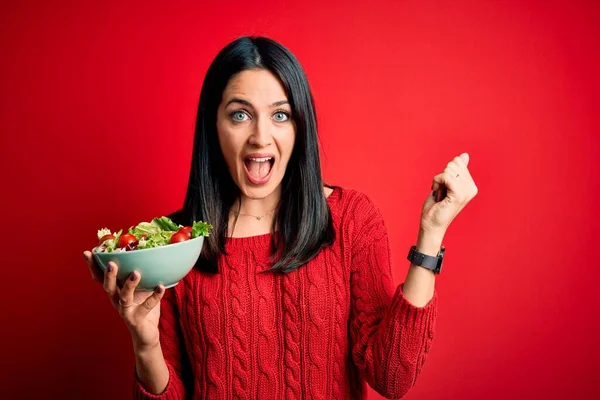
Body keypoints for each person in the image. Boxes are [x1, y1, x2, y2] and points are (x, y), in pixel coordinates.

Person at [83, 36, 478, 399]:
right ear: (213, 125)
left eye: (280, 115)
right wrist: (145, 343)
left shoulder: (351, 219)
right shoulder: (175, 246)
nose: (260, 136)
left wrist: (432, 232)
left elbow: (392, 378)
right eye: (240, 115)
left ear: (300, 126)